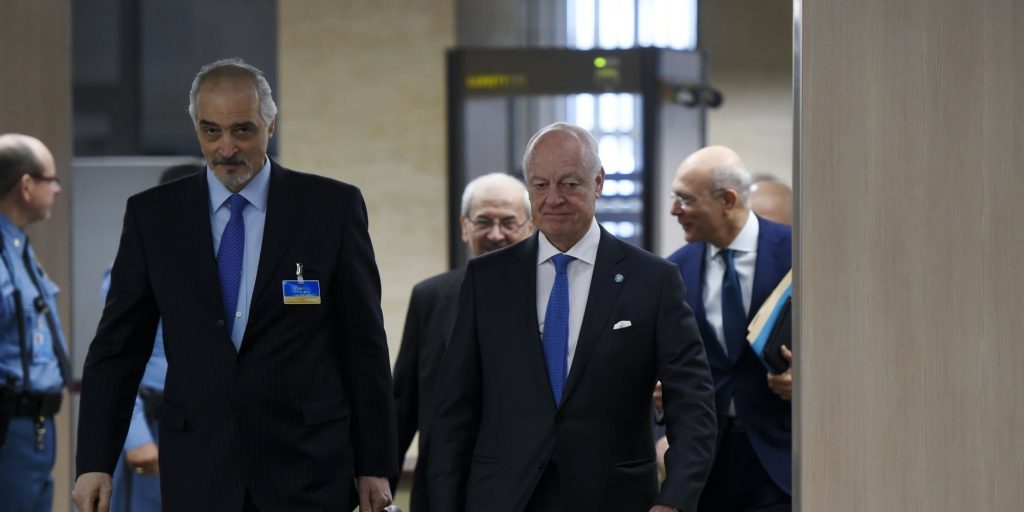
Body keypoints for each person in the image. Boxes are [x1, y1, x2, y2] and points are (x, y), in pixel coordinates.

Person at [72, 58, 398, 512]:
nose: (226, 148)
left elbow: (363, 346)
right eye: (211, 131)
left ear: (270, 125)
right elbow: (117, 349)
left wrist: (375, 463)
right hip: (199, 467)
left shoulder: (331, 208)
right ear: (196, 129)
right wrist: (94, 462)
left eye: (242, 130)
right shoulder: (154, 216)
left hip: (307, 468)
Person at [428, 122, 717, 512]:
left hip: (615, 498)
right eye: (540, 185)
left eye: (569, 183)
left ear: (598, 182)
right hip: (504, 497)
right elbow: (454, 409)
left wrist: (675, 500)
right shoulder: (487, 279)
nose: (553, 198)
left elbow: (692, 402)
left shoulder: (653, 280)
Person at [392, 172, 534, 511]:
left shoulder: (554, 300)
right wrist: (379, 480)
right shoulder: (430, 297)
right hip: (445, 489)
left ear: (530, 227)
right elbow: (402, 406)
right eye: (483, 221)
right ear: (464, 226)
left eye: (508, 223)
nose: (495, 234)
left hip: (527, 489)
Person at [666, 145, 793, 511]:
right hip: (707, 467)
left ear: (727, 200)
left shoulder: (798, 253)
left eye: (686, 199)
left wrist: (806, 383)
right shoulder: (674, 270)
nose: (674, 210)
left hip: (780, 462)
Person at [105, 163, 200, 512]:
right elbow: (118, 362)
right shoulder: (137, 270)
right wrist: (136, 438)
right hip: (151, 425)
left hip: (200, 425)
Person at [0, 133, 70, 512]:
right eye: (50, 180)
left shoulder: (18, 247)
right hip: (9, 426)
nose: (57, 189)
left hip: (34, 427)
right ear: (26, 186)